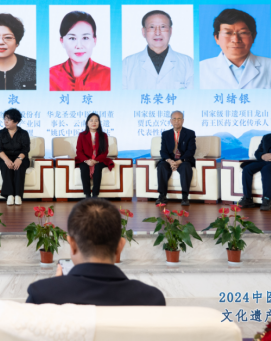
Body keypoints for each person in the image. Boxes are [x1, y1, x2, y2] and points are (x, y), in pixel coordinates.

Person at [26, 198, 166, 306]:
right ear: (120, 246)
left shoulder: (41, 295)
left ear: (72, 245)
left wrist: (57, 288)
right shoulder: (152, 299)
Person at [200, 8, 271, 89]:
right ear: (216, 38)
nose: (236, 40)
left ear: (253, 36)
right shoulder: (201, 69)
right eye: (227, 33)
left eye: (243, 33)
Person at [122, 10, 193, 90]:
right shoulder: (127, 64)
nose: (158, 33)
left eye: (163, 27)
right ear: (143, 32)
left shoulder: (188, 63)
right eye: (152, 27)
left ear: (170, 31)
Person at [49, 11, 110, 91]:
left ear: (94, 40)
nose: (79, 46)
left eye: (85, 38)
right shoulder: (49, 76)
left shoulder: (109, 76)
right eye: (72, 38)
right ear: (62, 41)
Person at [156, 111, 196, 207]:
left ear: (183, 120)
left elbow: (191, 150)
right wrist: (170, 161)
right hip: (170, 160)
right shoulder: (165, 134)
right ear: (171, 121)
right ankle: (162, 196)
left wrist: (179, 161)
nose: (176, 121)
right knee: (161, 166)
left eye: (179, 119)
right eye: (174, 119)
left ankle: (185, 197)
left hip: (183, 160)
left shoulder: (190, 133)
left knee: (186, 166)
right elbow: (163, 151)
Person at [0, 108, 30, 206]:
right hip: (4, 158)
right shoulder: (0, 133)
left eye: (9, 120)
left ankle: (18, 195)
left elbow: (25, 149)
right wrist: (6, 160)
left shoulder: (24, 133)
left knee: (19, 167)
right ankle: (9, 195)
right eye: (5, 119)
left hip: (21, 158)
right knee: (6, 167)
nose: (5, 122)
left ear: (16, 121)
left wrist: (19, 159)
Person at [75, 113, 114, 198]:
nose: (94, 122)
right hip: (85, 159)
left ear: (99, 123)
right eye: (91, 120)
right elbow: (79, 151)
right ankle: (87, 195)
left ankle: (95, 195)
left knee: (98, 167)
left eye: (96, 120)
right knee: (84, 167)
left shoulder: (103, 135)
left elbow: (105, 152)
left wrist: (96, 160)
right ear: (87, 123)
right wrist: (87, 160)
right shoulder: (82, 135)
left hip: (99, 160)